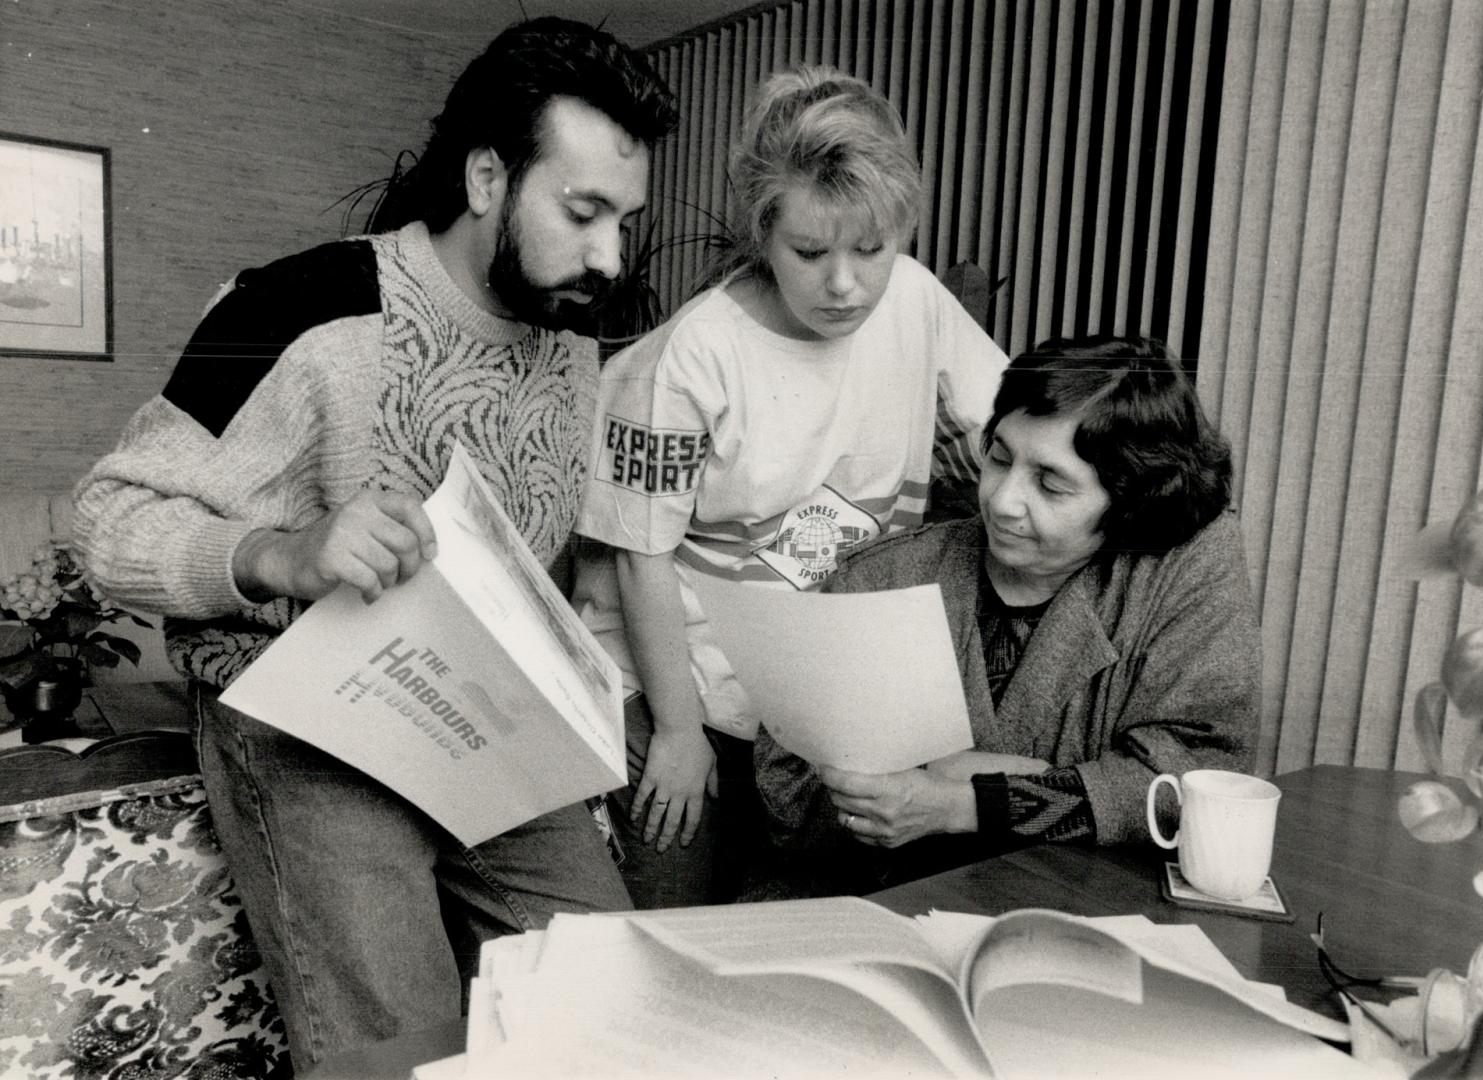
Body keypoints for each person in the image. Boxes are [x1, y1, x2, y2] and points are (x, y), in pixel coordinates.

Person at [71, 18, 675, 1071]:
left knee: (613, 1002)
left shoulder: (572, 342)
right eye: (582, 213)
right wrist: (281, 552)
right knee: (401, 1050)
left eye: (623, 220)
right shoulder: (291, 304)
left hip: (481, 725)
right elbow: (105, 518)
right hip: (312, 735)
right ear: (488, 177)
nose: (608, 257)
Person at [571, 67, 1008, 908]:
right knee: (674, 915)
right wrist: (677, 731)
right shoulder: (692, 357)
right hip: (672, 668)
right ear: (762, 237)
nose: (844, 285)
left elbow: (1013, 421)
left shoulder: (914, 301)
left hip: (814, 677)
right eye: (809, 253)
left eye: (871, 250)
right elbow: (640, 562)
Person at [753, 335, 1261, 898]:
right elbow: (785, 787)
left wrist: (964, 800)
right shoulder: (883, 578)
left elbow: (1196, 779)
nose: (1000, 500)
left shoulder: (1184, 567)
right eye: (998, 457)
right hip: (874, 907)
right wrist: (1030, 779)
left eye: (1049, 483)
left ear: (1131, 502)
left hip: (1080, 913)